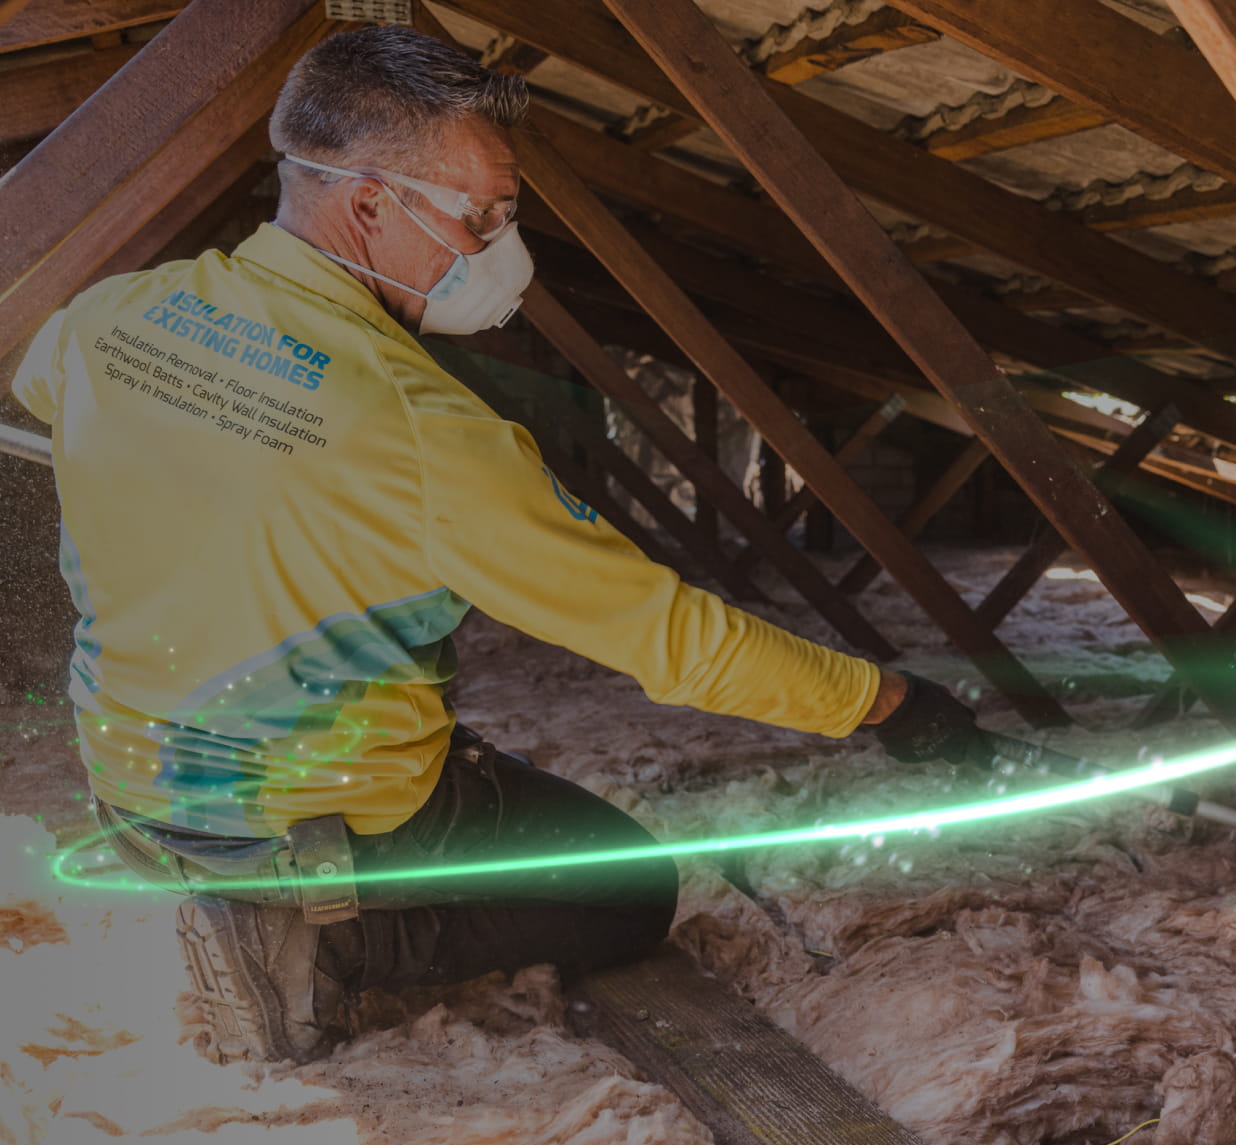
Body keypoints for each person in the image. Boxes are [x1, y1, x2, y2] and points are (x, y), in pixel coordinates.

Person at [11, 27, 989, 1065]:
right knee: (626, 885)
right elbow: (674, 640)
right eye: (479, 218)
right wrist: (886, 701)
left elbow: (61, 411)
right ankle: (318, 939)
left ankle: (219, 884)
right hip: (328, 812)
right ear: (370, 202)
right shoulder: (424, 428)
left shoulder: (104, 321)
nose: (497, 250)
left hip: (134, 782)